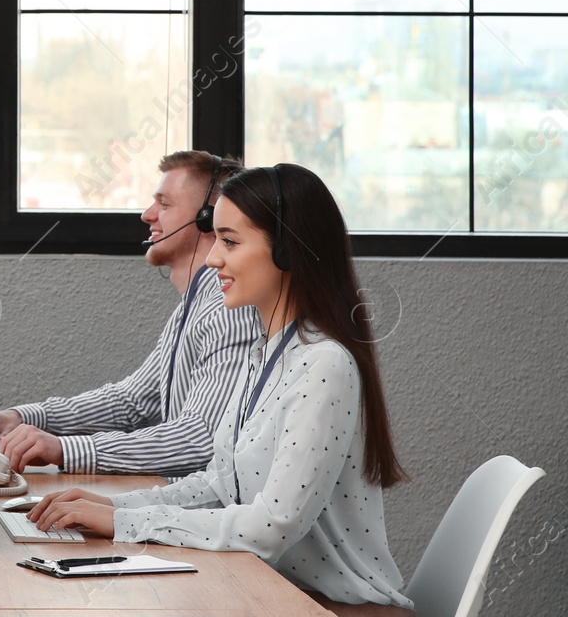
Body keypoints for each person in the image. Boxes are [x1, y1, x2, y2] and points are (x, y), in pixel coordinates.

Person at [31, 162, 413, 611]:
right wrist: (117, 509)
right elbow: (218, 484)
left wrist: (129, 525)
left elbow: (270, 528)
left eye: (229, 241)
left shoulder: (324, 365)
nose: (213, 259)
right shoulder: (263, 354)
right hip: (270, 594)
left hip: (337, 608)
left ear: (288, 249)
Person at [0, 151, 262, 475]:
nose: (147, 215)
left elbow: (200, 439)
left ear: (208, 218)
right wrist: (23, 418)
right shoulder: (194, 307)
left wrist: (66, 450)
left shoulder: (228, 310)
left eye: (164, 205)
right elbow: (133, 402)